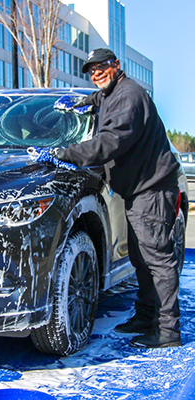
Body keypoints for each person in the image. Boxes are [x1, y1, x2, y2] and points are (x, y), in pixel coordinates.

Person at [52, 48, 183, 348]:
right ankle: (146, 315)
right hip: (139, 190)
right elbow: (101, 98)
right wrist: (85, 101)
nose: (95, 74)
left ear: (116, 66)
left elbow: (110, 141)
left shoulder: (129, 96)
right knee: (141, 258)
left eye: (101, 67)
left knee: (157, 261)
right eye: (91, 70)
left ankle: (167, 331)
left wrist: (66, 154)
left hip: (152, 189)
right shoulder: (112, 93)